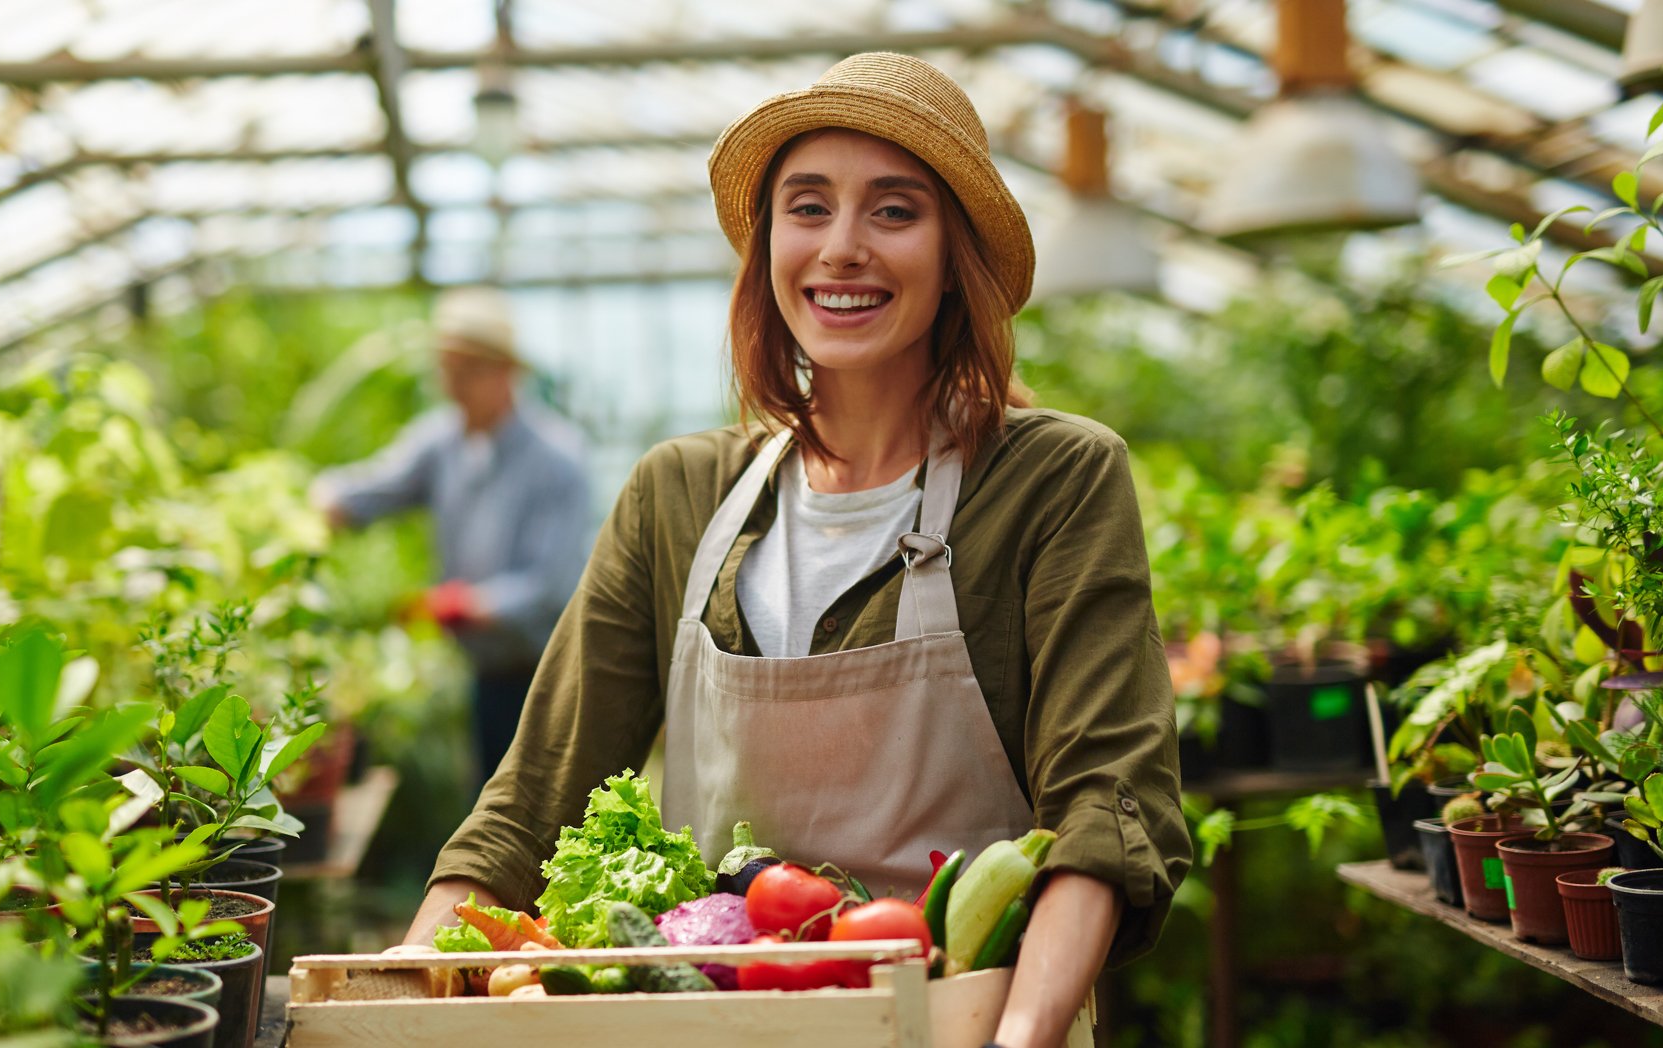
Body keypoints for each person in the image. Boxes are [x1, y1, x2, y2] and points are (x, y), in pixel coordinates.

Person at [398, 55, 1191, 1047]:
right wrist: (391, 990)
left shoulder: (1049, 481)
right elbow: (529, 804)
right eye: (806, 208)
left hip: (967, 1022)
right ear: (767, 241)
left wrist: (1019, 1036)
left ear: (955, 253)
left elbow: (1105, 804)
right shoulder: (676, 497)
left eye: (893, 212)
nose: (841, 249)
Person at [309, 286, 590, 784]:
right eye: (447, 370)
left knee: (544, 803)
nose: (453, 385)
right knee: (490, 793)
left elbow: (551, 584)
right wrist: (320, 499)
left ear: (507, 372)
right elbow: (378, 488)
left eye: (468, 371)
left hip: (548, 675)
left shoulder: (557, 458)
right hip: (485, 670)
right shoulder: (442, 442)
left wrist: (468, 604)